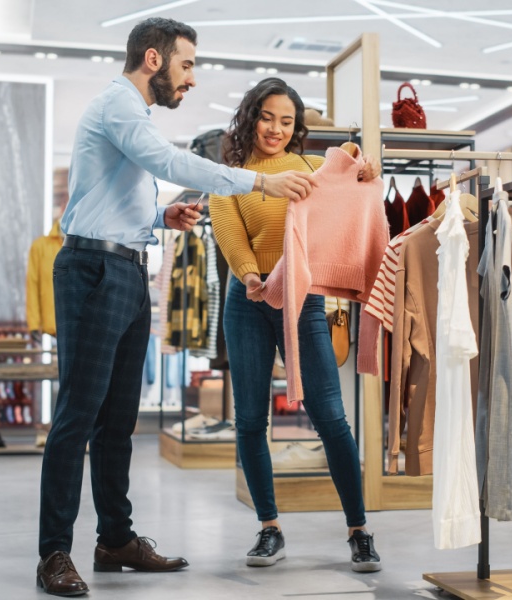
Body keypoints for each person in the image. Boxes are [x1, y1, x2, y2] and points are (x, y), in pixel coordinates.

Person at [36, 20, 317, 597]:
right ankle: (53, 553)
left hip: (126, 266)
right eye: (186, 65)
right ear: (153, 58)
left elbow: (111, 194)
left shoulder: (132, 114)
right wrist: (258, 185)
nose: (191, 77)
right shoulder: (120, 104)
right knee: (78, 416)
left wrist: (157, 219)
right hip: (93, 270)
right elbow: (166, 162)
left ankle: (115, 538)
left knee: (118, 421)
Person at [209, 78, 383, 573]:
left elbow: (353, 185)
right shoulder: (233, 175)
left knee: (330, 415)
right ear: (251, 116)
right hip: (248, 300)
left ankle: (359, 530)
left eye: (287, 121)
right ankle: (269, 527)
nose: (276, 129)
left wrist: (365, 170)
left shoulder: (309, 168)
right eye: (268, 117)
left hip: (303, 301)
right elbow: (229, 232)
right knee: (249, 419)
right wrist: (249, 275)